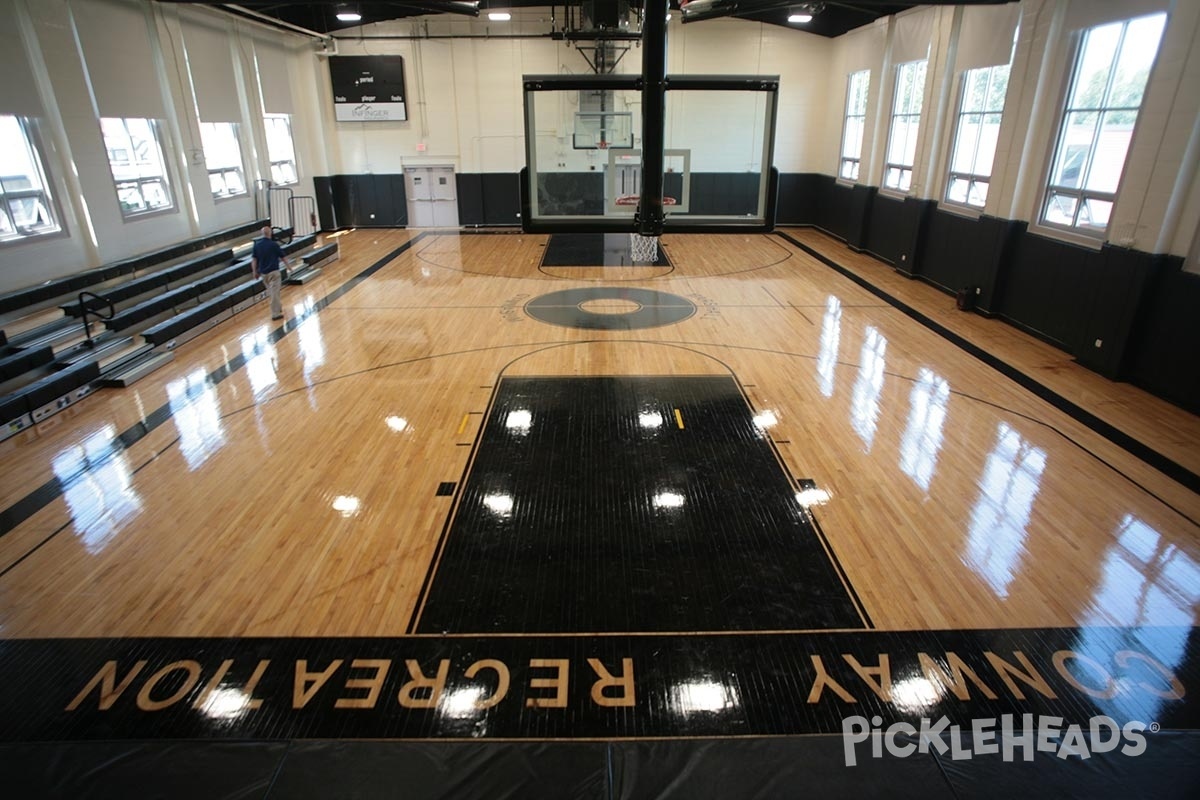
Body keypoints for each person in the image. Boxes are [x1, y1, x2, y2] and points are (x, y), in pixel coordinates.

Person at [250, 226, 290, 321]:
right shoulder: (274, 245)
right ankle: (275, 313)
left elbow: (254, 260)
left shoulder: (257, 246)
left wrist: (254, 271)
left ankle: (278, 308)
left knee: (273, 293)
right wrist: (289, 267)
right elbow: (283, 257)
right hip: (274, 272)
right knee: (274, 293)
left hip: (264, 274)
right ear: (270, 233)